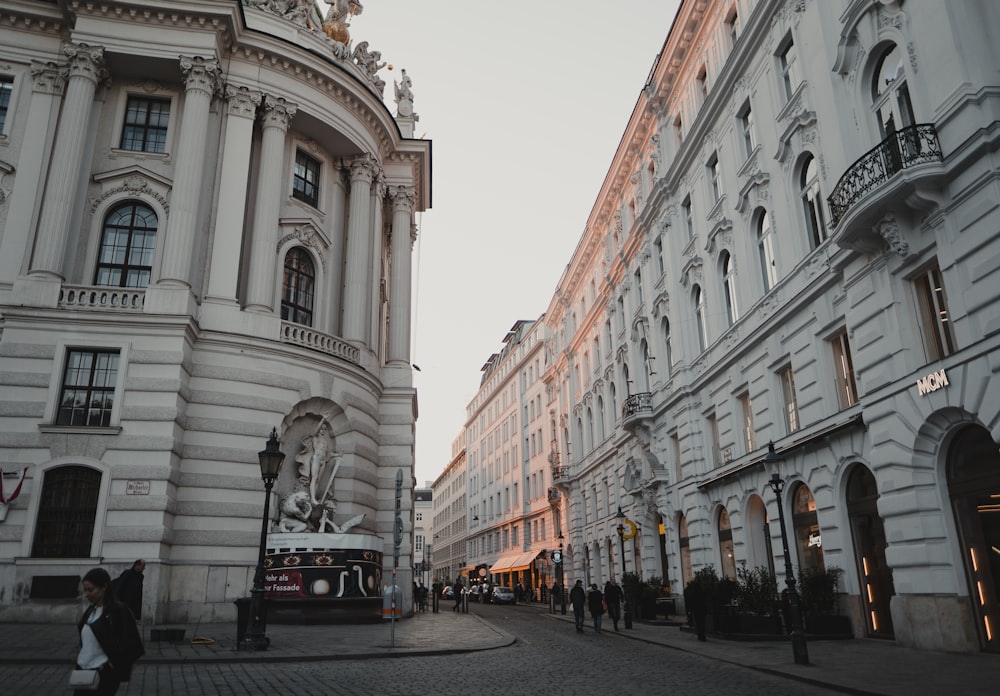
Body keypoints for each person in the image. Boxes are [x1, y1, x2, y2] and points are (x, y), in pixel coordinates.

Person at [75, 567, 145, 695]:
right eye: (85, 590)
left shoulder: (118, 611)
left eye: (91, 590)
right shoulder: (91, 610)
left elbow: (133, 644)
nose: (87, 594)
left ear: (104, 587)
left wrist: (114, 665)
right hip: (84, 669)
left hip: (104, 673)